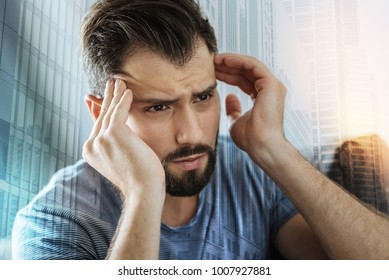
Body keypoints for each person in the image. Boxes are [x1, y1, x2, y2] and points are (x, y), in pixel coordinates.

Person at [12, 0, 389, 260]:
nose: (191, 134)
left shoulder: (250, 174)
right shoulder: (54, 221)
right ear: (102, 114)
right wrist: (143, 194)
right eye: (158, 107)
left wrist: (274, 149)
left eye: (203, 97)